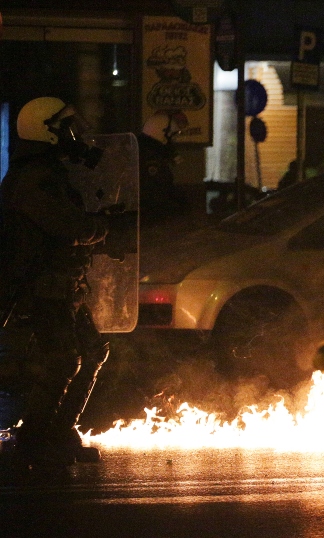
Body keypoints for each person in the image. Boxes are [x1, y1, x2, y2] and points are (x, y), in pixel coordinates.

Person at [0, 97, 121, 469]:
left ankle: (58, 432)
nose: (76, 134)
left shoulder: (48, 173)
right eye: (67, 126)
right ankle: (35, 440)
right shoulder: (34, 178)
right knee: (62, 360)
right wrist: (99, 228)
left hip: (62, 285)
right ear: (47, 132)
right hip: (39, 288)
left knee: (91, 350)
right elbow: (67, 226)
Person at [137, 110, 188, 225]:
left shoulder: (144, 150)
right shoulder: (151, 157)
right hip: (153, 220)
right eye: (173, 134)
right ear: (162, 131)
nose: (173, 139)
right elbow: (161, 187)